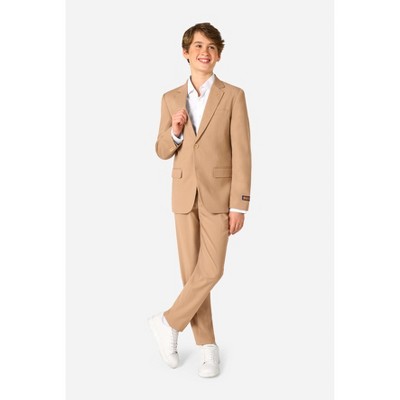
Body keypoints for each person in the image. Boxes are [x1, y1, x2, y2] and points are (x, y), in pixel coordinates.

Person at [148, 22, 252, 378]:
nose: (204, 52)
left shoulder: (233, 95)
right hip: (183, 194)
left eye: (211, 47)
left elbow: (242, 152)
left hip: (219, 196)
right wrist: (175, 132)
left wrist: (239, 203)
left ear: (218, 55)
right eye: (198, 46)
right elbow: (161, 149)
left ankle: (168, 322)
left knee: (212, 270)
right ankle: (208, 348)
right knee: (193, 275)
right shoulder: (170, 98)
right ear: (185, 53)